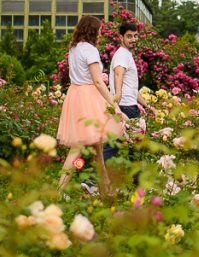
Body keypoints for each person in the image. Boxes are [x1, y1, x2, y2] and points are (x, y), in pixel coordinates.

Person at [56, 15, 126, 195]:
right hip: (88, 98)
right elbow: (97, 81)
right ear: (93, 31)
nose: (101, 33)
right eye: (100, 30)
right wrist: (114, 105)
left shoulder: (74, 48)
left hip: (75, 95)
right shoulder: (90, 50)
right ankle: (58, 191)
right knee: (77, 148)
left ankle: (105, 189)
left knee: (97, 148)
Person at [103, 22, 146, 161]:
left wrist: (148, 106)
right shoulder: (122, 55)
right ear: (121, 37)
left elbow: (132, 89)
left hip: (127, 105)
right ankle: (138, 178)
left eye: (135, 36)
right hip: (126, 107)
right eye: (129, 36)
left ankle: (95, 174)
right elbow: (118, 74)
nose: (133, 39)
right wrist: (118, 94)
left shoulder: (126, 54)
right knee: (135, 147)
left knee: (113, 146)